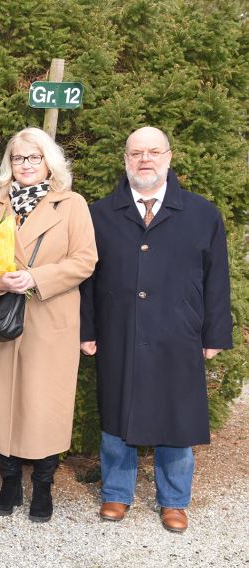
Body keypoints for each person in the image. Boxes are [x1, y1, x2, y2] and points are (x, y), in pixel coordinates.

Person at [80, 127, 232, 533]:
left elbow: (217, 278)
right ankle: (115, 492)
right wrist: (86, 329)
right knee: (116, 411)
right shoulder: (98, 215)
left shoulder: (202, 214)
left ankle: (174, 499)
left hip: (178, 332)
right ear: (125, 160)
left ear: (169, 157)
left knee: (177, 414)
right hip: (118, 331)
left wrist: (215, 335)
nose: (144, 159)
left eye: (152, 151)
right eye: (135, 153)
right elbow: (87, 280)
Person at [0, 127, 97, 522]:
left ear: (49, 163)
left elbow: (85, 260)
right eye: (17, 158)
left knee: (46, 405)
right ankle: (9, 482)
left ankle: (43, 485)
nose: (25, 165)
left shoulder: (72, 204)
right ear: (8, 163)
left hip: (50, 317)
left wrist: (37, 278)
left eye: (33, 157)